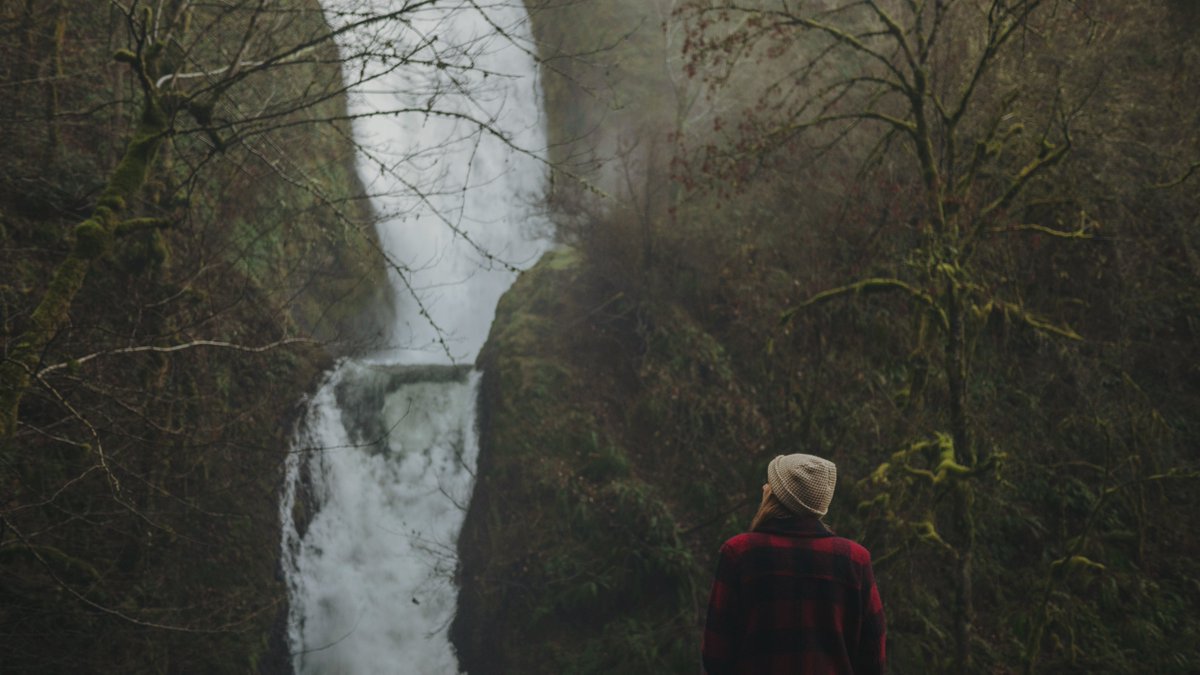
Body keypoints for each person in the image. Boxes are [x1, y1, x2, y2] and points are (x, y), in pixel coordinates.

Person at [701, 453, 886, 674]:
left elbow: (716, 652)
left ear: (776, 496)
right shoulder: (854, 560)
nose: (764, 487)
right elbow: (873, 655)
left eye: (770, 483)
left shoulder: (740, 553)